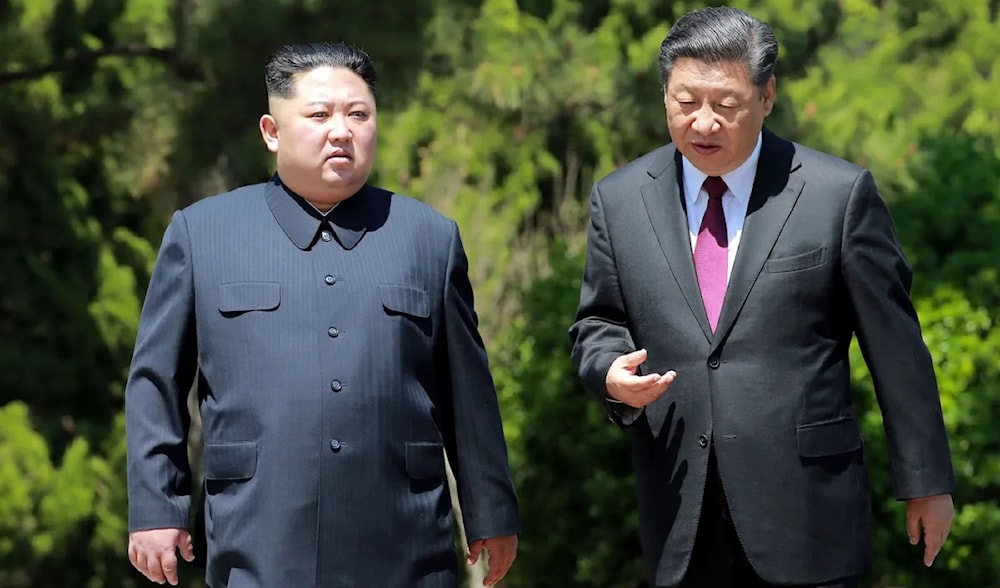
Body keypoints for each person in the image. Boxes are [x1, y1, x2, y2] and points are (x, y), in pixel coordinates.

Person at [568, 7, 955, 588]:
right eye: (684, 102)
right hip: (680, 510)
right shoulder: (620, 200)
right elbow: (598, 321)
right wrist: (609, 373)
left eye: (725, 105)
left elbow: (896, 349)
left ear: (766, 95)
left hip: (807, 517)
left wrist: (926, 481)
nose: (703, 123)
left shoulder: (836, 195)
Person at [125, 42, 519, 588]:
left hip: (403, 537)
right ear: (271, 131)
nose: (342, 130)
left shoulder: (428, 237)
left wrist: (491, 511)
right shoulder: (203, 233)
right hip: (258, 532)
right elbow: (155, 382)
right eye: (319, 115)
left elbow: (468, 392)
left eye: (359, 114)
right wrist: (156, 507)